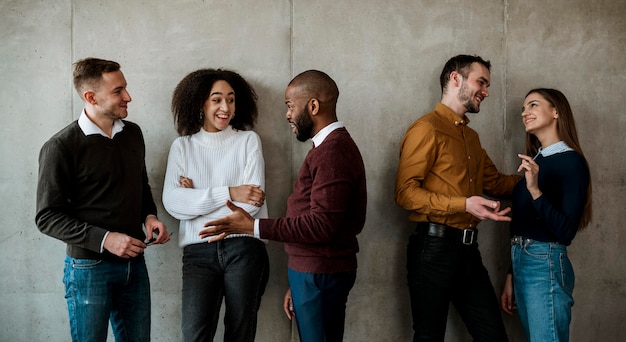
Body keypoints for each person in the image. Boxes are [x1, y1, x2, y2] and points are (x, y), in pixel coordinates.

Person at [198, 70, 367, 342]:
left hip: (320, 274)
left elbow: (321, 226)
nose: (287, 114)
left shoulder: (333, 152)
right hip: (311, 273)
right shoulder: (325, 149)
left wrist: (252, 226)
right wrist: (297, 279)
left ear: (313, 106)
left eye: (290, 105)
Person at [35, 57, 170, 342]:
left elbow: (141, 186)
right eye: (118, 91)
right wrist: (106, 239)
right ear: (91, 97)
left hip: (134, 264)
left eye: (126, 88)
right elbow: (47, 218)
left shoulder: (133, 133)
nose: (128, 97)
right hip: (88, 269)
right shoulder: (60, 147)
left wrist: (149, 216)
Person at [394, 54, 522, 341]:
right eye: (481, 82)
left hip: (468, 254)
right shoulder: (426, 128)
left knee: (493, 336)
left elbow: (497, 183)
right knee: (429, 336)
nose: (486, 92)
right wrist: (464, 204)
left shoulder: (472, 138)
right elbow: (404, 193)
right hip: (431, 250)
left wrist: (538, 178)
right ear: (455, 79)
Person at [162, 68, 269, 342]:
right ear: (201, 103)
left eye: (231, 100)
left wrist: (196, 198)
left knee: (240, 334)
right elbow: (173, 203)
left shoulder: (248, 141)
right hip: (198, 254)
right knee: (194, 335)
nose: (226, 108)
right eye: (217, 99)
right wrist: (231, 191)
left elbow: (252, 206)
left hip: (244, 248)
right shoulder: (182, 147)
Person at [500, 88, 592, 341]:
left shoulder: (571, 162)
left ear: (556, 112)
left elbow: (565, 231)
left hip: (545, 263)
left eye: (533, 105)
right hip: (523, 260)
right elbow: (525, 223)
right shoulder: (536, 161)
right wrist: (511, 273)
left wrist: (533, 189)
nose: (525, 113)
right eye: (522, 108)